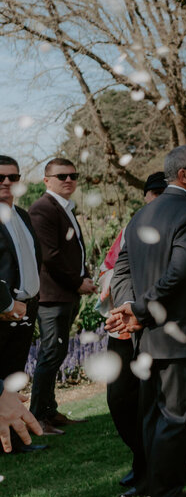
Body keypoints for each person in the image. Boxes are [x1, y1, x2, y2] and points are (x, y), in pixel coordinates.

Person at [107, 145, 186, 497]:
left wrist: (131, 308)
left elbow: (121, 271)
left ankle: (152, 486)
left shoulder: (143, 213)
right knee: (178, 418)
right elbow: (180, 272)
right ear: (183, 175)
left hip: (150, 337)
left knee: (154, 415)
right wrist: (138, 311)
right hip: (184, 336)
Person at [97, 171, 167, 495]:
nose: (157, 198)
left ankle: (150, 473)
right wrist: (124, 304)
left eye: (163, 192)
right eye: (152, 192)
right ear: (145, 196)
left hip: (158, 327)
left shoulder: (180, 227)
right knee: (120, 399)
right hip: (123, 325)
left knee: (152, 403)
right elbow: (114, 269)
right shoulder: (131, 227)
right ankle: (142, 461)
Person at [28, 158, 97, 433]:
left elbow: (74, 250)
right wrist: (78, 282)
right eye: (61, 176)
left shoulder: (65, 207)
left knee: (57, 353)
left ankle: (50, 412)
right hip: (52, 296)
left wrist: (86, 274)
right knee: (50, 354)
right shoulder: (42, 208)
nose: (68, 180)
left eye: (73, 175)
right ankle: (38, 418)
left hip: (65, 293)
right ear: (47, 181)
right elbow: (50, 256)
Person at [0, 154, 44, 453]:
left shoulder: (24, 216)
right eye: (0, 178)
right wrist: (5, 304)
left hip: (28, 308)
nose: (6, 182)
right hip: (2, 312)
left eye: (12, 178)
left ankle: (14, 440)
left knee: (14, 373)